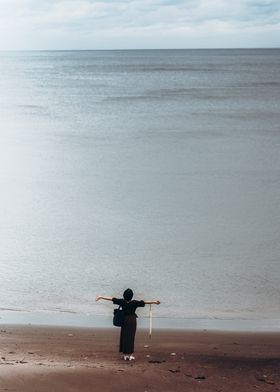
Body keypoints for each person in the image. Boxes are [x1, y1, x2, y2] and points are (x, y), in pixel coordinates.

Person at [96, 288, 160, 361]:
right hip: (132, 320)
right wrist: (155, 302)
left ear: (124, 295)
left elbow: (111, 299)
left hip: (124, 320)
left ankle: (125, 355)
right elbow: (145, 302)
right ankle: (130, 355)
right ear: (132, 296)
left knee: (124, 336)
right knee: (131, 338)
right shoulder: (135, 303)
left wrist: (101, 297)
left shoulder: (122, 302)